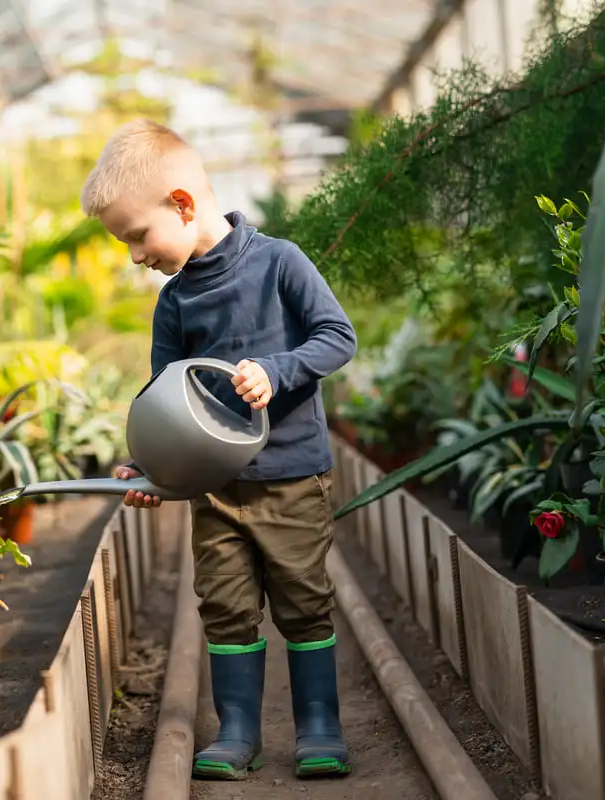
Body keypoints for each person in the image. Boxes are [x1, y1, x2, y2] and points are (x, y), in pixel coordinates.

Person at [80, 119, 358, 781]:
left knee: (302, 599)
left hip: (291, 477)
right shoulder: (175, 302)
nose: (135, 256)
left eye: (137, 237)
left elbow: (336, 337)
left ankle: (319, 723)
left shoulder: (280, 262)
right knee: (226, 605)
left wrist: (279, 370)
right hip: (215, 490)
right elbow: (162, 399)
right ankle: (237, 730)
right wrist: (150, 466)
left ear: (182, 204)